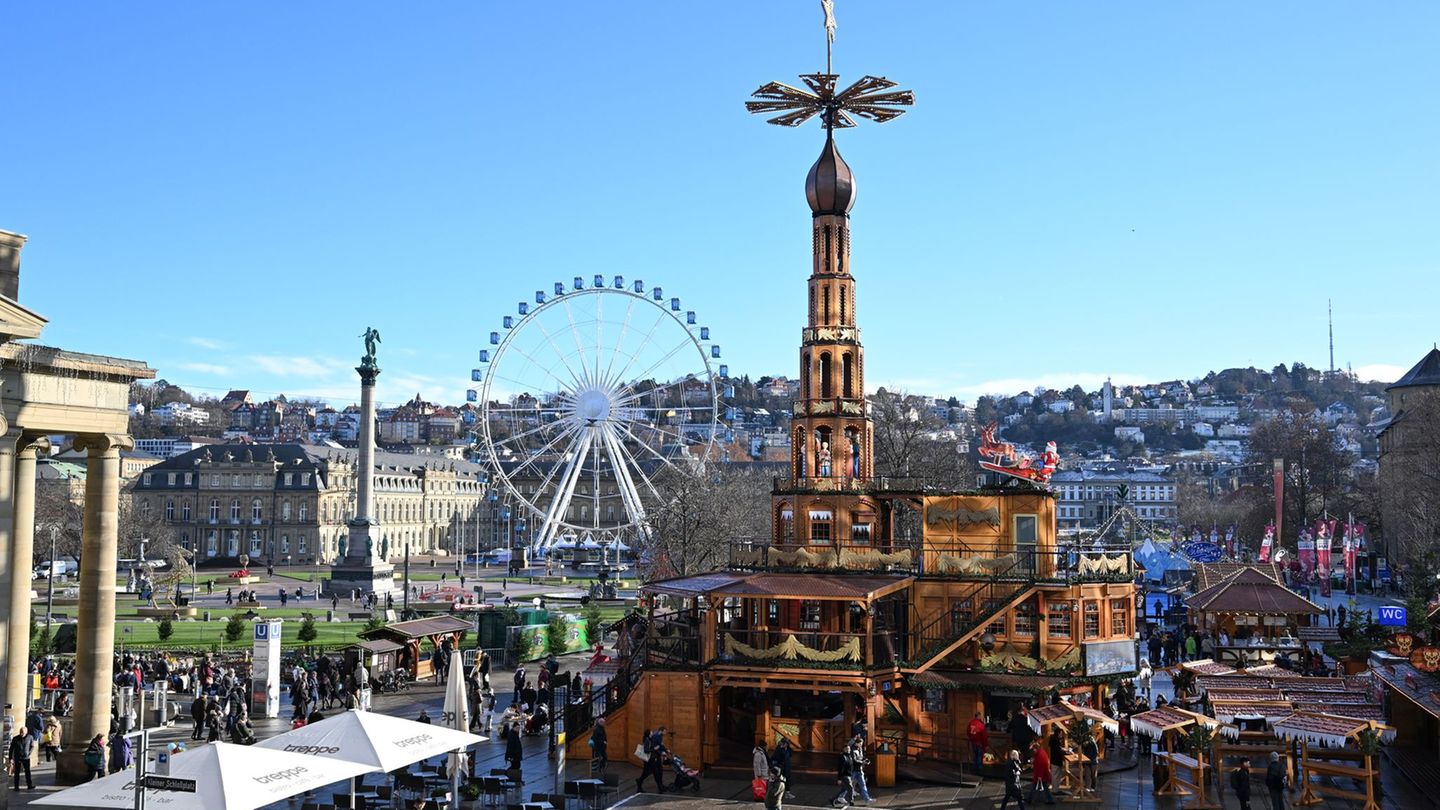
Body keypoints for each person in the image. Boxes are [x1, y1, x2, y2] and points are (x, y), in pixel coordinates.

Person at [1028, 740, 1054, 804]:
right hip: (1043, 774)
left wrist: (1040, 776)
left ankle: (1030, 799)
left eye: (1033, 749)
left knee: (1035, 786)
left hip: (1040, 774)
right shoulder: (1041, 752)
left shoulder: (1040, 755)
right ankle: (1050, 800)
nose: (1033, 751)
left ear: (1035, 748)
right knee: (1044, 787)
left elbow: (1041, 766)